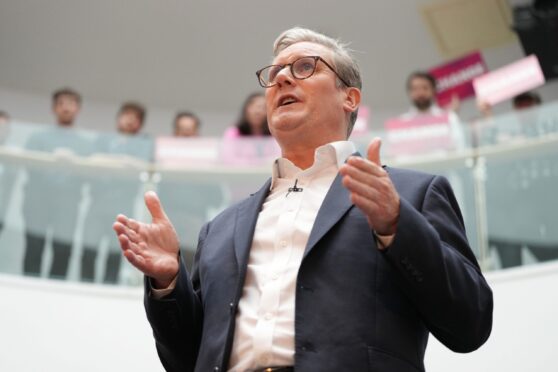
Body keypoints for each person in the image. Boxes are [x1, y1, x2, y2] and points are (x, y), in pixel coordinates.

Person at [114, 27, 493, 371]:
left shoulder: (410, 195)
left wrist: (397, 225)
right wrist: (168, 282)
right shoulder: (220, 228)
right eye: (274, 73)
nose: (280, 77)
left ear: (349, 97)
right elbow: (188, 359)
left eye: (305, 67)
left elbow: (470, 324)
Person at [22, 88, 91, 278]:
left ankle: (55, 287)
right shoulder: (38, 137)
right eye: (61, 103)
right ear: (54, 108)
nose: (66, 108)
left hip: (68, 202)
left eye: (71, 104)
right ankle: (29, 286)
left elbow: (88, 175)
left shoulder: (85, 144)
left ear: (78, 109)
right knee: (34, 245)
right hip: (37, 199)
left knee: (62, 249)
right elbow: (30, 166)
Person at [81, 102, 152, 283]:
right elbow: (92, 159)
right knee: (89, 247)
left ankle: (109, 284)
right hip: (98, 200)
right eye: (127, 115)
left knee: (116, 251)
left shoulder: (144, 143)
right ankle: (85, 283)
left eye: (136, 118)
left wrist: (121, 162)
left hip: (123, 203)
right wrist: (122, 161)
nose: (130, 120)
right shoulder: (102, 140)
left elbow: (143, 164)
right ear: (118, 118)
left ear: (140, 124)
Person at [399, 71, 466, 149]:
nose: (420, 93)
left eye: (425, 88)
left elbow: (460, 148)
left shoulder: (450, 118)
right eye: (415, 89)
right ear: (410, 92)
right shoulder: (401, 123)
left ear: (433, 90)